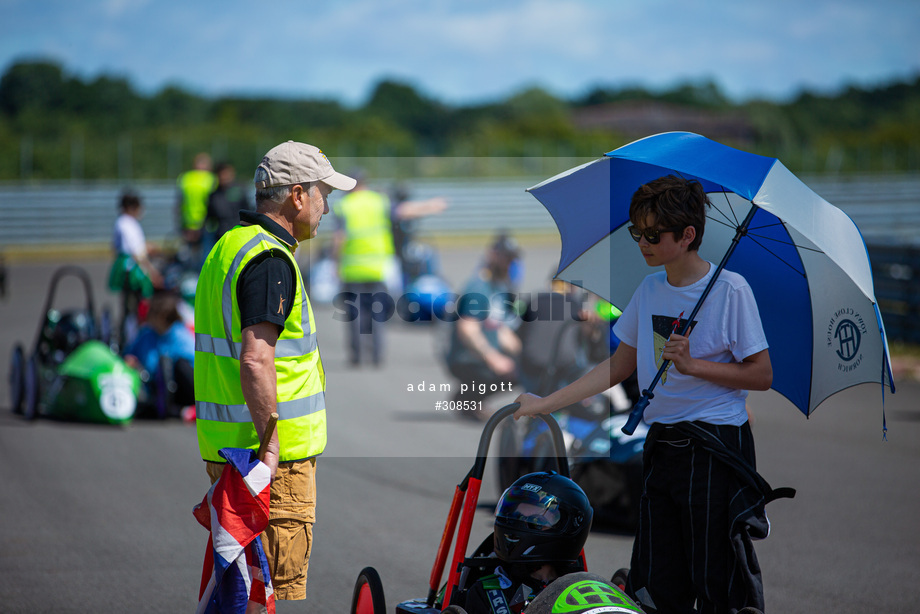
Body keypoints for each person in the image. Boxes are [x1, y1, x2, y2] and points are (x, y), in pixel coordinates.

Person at [514, 175, 774, 613]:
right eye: (638, 231)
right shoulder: (650, 289)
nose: (643, 242)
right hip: (661, 445)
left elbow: (762, 374)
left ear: (688, 235)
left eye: (654, 234)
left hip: (714, 449)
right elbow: (618, 367)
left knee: (717, 578)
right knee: (655, 578)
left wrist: (694, 365)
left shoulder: (732, 290)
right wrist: (545, 404)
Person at [194, 140, 356, 601]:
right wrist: (271, 448)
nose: (328, 207)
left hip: (230, 450)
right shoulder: (270, 259)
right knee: (263, 592)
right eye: (325, 194)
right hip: (267, 462)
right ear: (298, 195)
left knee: (243, 589)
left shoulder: (231, 244)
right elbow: (255, 359)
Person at [462, 472, 593, 614]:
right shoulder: (488, 593)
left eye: (536, 521)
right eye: (515, 517)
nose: (519, 526)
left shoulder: (586, 589)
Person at [445, 234, 522, 414]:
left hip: (485, 356)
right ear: (492, 255)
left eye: (511, 259)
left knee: (525, 367)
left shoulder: (500, 288)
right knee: (509, 371)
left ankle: (470, 399)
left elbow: (500, 329)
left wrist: (523, 354)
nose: (508, 263)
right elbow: (467, 329)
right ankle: (468, 400)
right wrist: (493, 358)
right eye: (505, 257)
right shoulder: (477, 288)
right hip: (468, 358)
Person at [332, 171, 397, 367]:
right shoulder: (379, 201)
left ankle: (357, 356)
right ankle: (377, 355)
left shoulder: (344, 205)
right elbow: (401, 212)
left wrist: (335, 262)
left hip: (352, 269)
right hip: (377, 267)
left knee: (355, 313)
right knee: (376, 312)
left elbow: (339, 237)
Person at [123, 290, 195, 418]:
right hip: (150, 385)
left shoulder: (181, 336)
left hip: (177, 389)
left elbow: (192, 367)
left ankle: (184, 408)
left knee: (180, 365)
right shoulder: (146, 334)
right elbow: (129, 354)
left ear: (163, 317)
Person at [109, 191, 163, 346]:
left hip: (130, 267)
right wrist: (153, 273)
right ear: (131, 207)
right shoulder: (126, 223)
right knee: (134, 307)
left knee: (131, 306)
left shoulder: (125, 223)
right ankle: (131, 341)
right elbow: (137, 253)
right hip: (132, 271)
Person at [176, 152, 216, 265]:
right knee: (206, 258)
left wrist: (183, 225)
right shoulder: (212, 179)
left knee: (188, 259)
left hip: (188, 224)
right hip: (206, 224)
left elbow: (180, 203)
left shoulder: (185, 178)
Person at [204, 161, 252, 244]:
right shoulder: (214, 195)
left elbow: (248, 212)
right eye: (221, 174)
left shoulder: (240, 191)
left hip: (240, 234)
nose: (224, 177)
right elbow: (209, 218)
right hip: (220, 236)